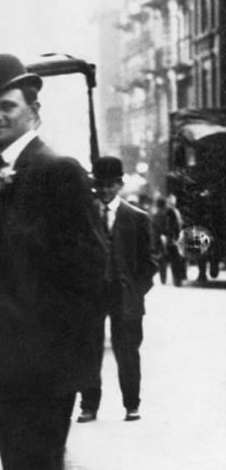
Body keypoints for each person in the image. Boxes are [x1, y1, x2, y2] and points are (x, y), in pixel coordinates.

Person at [0, 53, 107, 470]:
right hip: (10, 366)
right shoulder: (4, 173)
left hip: (41, 370)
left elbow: (91, 272)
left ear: (34, 110)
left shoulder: (57, 170)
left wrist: (58, 362)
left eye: (8, 106)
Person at [78, 156, 157, 423]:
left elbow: (149, 263)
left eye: (110, 185)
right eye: (99, 185)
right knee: (88, 351)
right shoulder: (83, 217)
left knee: (128, 352)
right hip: (92, 296)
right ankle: (89, 407)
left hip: (126, 297)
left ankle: (132, 405)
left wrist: (135, 291)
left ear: (120, 184)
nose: (104, 191)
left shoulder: (137, 218)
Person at [153, 195, 186, 286]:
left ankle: (163, 279)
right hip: (171, 239)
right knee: (175, 261)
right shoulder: (171, 211)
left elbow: (154, 230)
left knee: (162, 261)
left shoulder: (155, 215)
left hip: (160, 240)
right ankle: (177, 281)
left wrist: (155, 242)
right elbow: (176, 226)